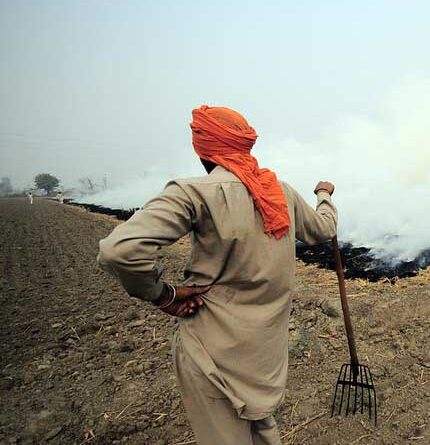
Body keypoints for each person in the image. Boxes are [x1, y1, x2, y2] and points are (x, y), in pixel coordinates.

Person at [97, 105, 337, 445]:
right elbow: (324, 228)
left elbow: (119, 250)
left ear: (201, 149)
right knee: (263, 431)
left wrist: (163, 295)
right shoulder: (280, 192)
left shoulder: (193, 193)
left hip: (211, 354)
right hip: (264, 357)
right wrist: (324, 194)